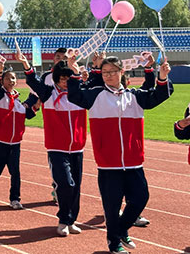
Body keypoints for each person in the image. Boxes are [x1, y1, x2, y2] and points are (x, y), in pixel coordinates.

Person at [67, 55, 173, 254]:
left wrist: (162, 76)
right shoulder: (95, 94)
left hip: (134, 162)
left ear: (121, 73)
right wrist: (73, 72)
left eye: (113, 72)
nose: (109, 76)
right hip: (108, 164)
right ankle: (113, 242)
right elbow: (74, 96)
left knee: (141, 198)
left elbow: (159, 95)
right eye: (105, 72)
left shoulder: (134, 96)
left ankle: (121, 229)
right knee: (112, 206)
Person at [21, 53, 86, 237]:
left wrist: (81, 69)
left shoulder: (80, 95)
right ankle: (63, 219)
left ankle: (71, 220)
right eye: (61, 79)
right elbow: (32, 81)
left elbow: (95, 83)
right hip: (57, 148)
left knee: (76, 186)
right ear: (55, 79)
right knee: (66, 183)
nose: (65, 82)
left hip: (77, 148)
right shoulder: (48, 93)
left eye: (68, 78)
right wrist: (25, 64)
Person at [0, 48, 38, 210]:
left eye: (13, 78)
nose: (11, 81)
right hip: (0, 141)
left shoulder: (18, 100)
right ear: (2, 81)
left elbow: (27, 113)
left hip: (15, 142)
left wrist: (36, 102)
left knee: (16, 172)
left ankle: (15, 199)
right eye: (7, 79)